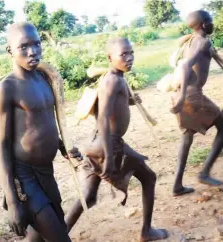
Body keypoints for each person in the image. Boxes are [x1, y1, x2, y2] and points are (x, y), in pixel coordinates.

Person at [65, 37, 168, 242]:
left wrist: (130, 100)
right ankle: (146, 231)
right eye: (124, 55)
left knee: (89, 196)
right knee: (149, 178)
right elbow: (103, 118)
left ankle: (56, 234)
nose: (129, 58)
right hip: (108, 144)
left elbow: (112, 106)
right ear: (109, 57)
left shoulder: (117, 77)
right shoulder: (112, 80)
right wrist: (111, 158)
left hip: (100, 144)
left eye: (131, 53)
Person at [0, 22, 81, 242]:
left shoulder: (44, 79)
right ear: (9, 50)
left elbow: (43, 123)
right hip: (24, 177)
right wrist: (13, 202)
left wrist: (63, 146)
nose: (33, 51)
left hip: (45, 172)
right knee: (59, 237)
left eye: (37, 44)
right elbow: (2, 145)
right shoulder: (7, 88)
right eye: (23, 46)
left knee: (42, 233)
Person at [170, 10, 223, 196]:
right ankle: (205, 173)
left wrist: (214, 54)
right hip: (191, 95)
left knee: (187, 137)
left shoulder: (193, 41)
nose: (212, 23)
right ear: (203, 24)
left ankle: (177, 185)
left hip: (183, 95)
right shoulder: (202, 41)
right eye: (210, 20)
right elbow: (185, 66)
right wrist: (184, 96)